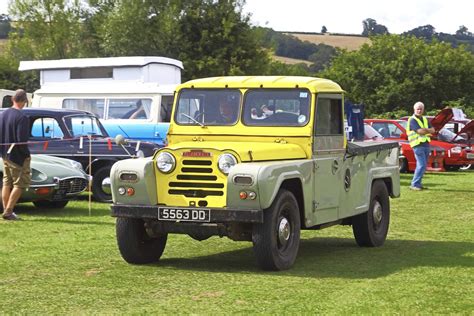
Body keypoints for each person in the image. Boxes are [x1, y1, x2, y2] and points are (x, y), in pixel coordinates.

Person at [0, 89, 31, 220]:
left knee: (7, 182)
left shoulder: (2, 114)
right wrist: (26, 155)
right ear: (24, 101)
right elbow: (21, 141)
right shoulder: (22, 117)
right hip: (17, 156)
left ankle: (7, 210)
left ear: (13, 99)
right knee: (20, 184)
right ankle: (8, 211)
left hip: (4, 155)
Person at [407, 101, 436, 191]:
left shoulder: (424, 119)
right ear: (414, 109)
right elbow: (420, 131)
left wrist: (425, 130)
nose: (419, 110)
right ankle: (414, 184)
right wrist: (427, 130)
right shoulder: (412, 120)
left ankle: (418, 184)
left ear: (423, 110)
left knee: (423, 165)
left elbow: (433, 130)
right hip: (417, 144)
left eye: (421, 109)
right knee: (421, 165)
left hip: (426, 144)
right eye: (417, 109)